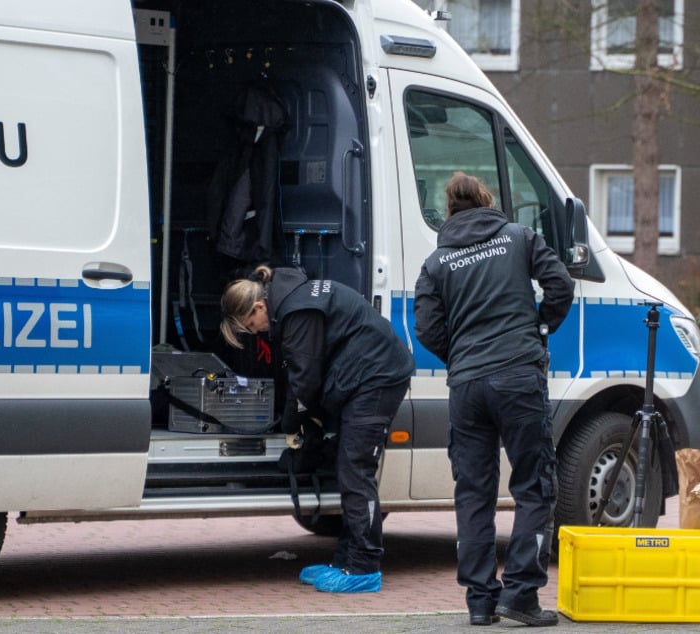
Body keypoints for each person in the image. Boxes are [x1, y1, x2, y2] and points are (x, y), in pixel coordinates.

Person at [413, 172, 574, 627]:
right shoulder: (519, 238)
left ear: (450, 210)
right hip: (518, 376)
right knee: (534, 485)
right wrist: (538, 327)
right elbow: (561, 285)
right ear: (487, 201)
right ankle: (520, 594)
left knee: (473, 492)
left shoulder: (436, 263)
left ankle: (481, 601)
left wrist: (460, 355)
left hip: (467, 387)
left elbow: (426, 328)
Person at [221, 265, 415, 593]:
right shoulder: (294, 298)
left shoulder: (297, 312)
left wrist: (291, 423)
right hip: (367, 375)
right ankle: (345, 560)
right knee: (347, 467)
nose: (258, 333)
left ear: (259, 307)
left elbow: (304, 380)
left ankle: (364, 567)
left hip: (377, 379)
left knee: (356, 470)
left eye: (253, 326)